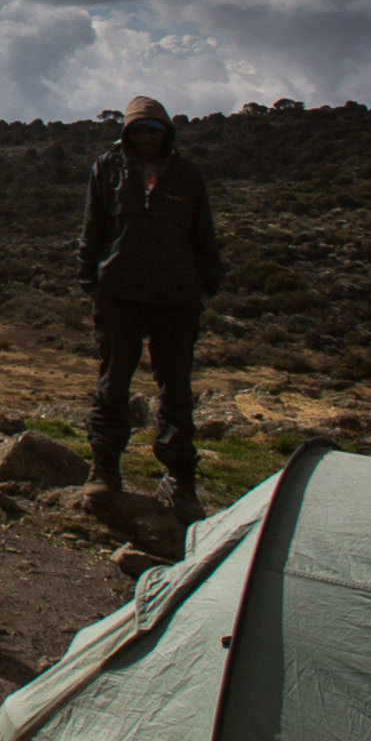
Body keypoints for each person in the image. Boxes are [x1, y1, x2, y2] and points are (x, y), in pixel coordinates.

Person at [76, 94, 224, 521]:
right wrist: (91, 280)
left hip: (175, 299)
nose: (144, 137)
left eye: (152, 130)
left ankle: (180, 478)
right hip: (119, 293)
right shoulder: (108, 169)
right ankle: (105, 468)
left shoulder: (188, 176)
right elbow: (93, 227)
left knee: (176, 388)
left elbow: (203, 234)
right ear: (126, 133)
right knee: (113, 382)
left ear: (166, 133)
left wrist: (206, 286)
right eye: (137, 130)